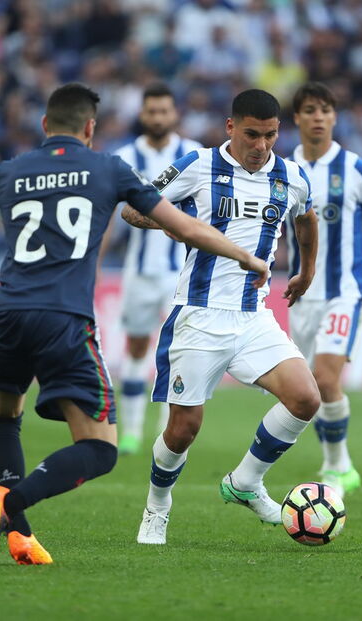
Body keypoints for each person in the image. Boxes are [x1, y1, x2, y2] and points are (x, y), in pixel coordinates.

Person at [0, 83, 269, 567]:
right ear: (91, 128)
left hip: (6, 313)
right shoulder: (106, 168)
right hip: (63, 320)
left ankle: (19, 536)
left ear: (46, 125)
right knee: (99, 449)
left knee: (5, 418)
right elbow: (184, 226)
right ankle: (12, 505)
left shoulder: (11, 172)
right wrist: (245, 255)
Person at [122, 89, 321, 545]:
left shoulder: (291, 176)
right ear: (231, 128)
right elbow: (135, 209)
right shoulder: (197, 165)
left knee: (306, 398)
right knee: (183, 429)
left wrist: (305, 271)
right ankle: (157, 505)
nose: (262, 145)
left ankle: (246, 482)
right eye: (252, 134)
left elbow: (305, 220)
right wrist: (182, 223)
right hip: (198, 315)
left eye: (271, 135)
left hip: (254, 318)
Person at [287, 82, 362, 497]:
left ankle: (338, 466)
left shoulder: (353, 168)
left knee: (325, 377)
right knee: (310, 391)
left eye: (326, 110)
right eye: (310, 110)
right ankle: (338, 463)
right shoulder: (283, 170)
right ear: (296, 118)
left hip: (345, 292)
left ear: (334, 118)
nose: (319, 117)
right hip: (300, 295)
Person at [111, 83, 202, 455]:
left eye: (165, 110)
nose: (159, 117)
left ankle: (166, 431)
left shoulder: (194, 155)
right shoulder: (124, 157)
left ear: (174, 113)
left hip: (183, 272)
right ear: (142, 114)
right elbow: (109, 217)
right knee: (135, 347)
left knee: (177, 352)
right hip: (139, 271)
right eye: (152, 111)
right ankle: (131, 432)